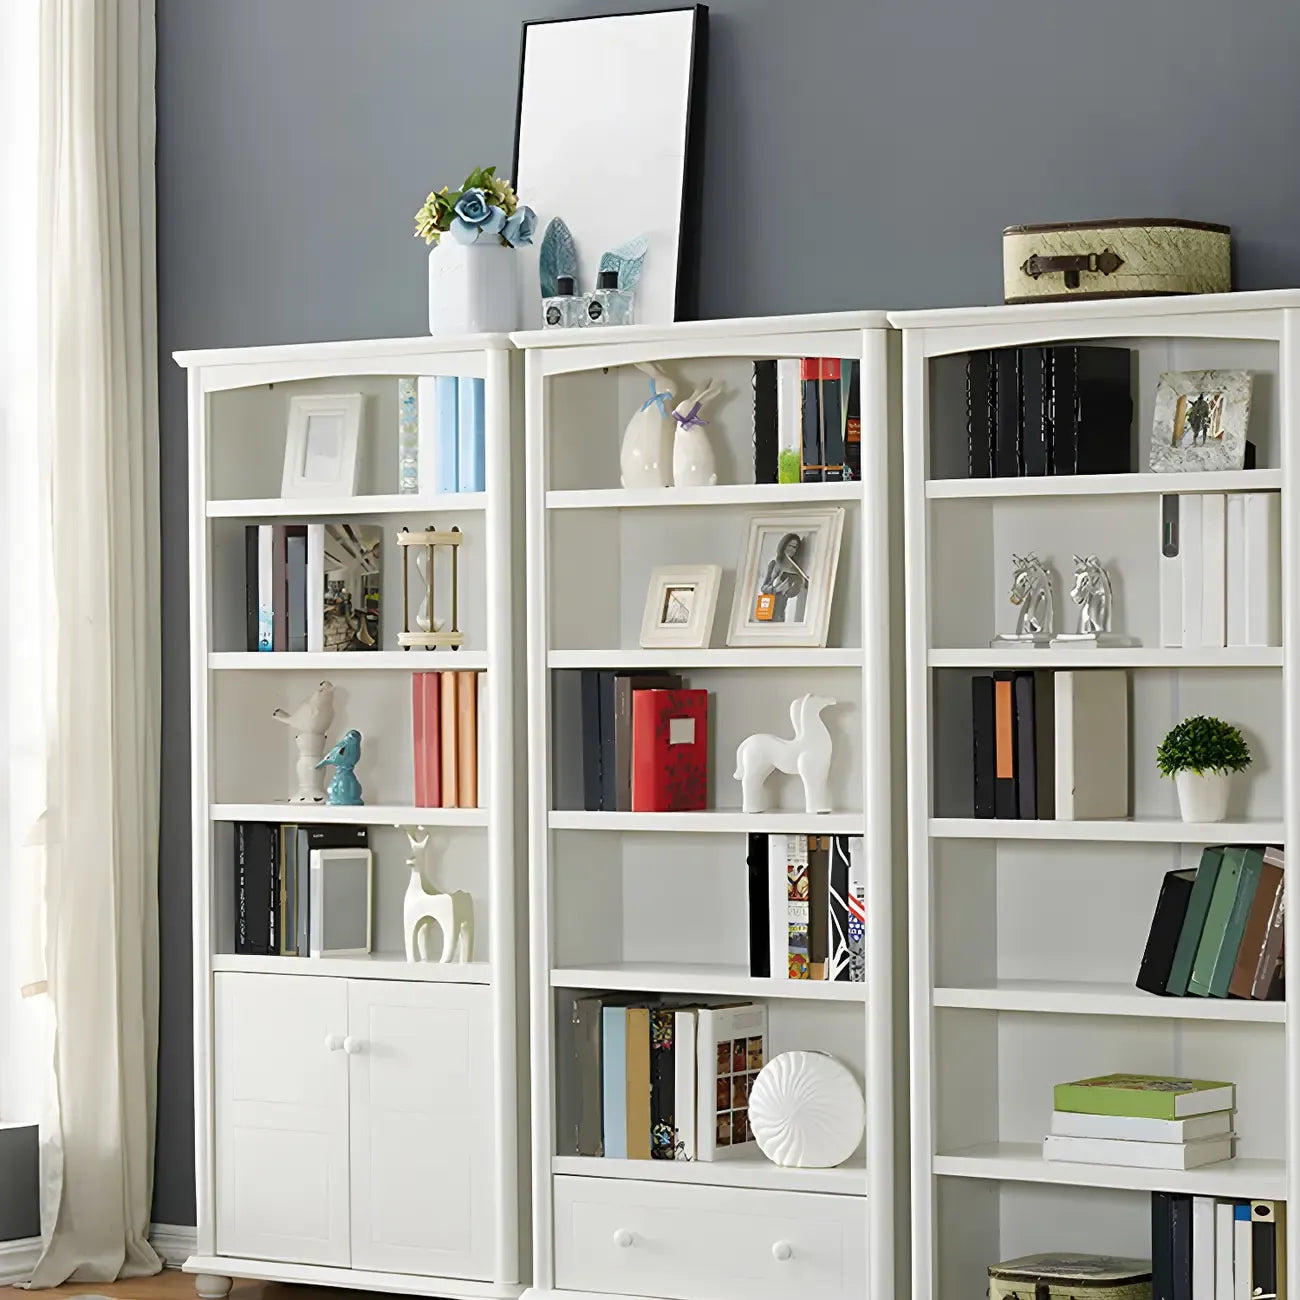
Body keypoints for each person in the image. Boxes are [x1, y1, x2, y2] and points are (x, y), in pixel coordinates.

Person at [759, 531, 809, 622]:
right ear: (784, 546)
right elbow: (763, 588)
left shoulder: (795, 570)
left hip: (779, 612)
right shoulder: (774, 564)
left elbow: (792, 594)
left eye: (794, 547)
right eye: (789, 545)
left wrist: (798, 585)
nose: (791, 549)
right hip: (766, 608)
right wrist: (775, 589)